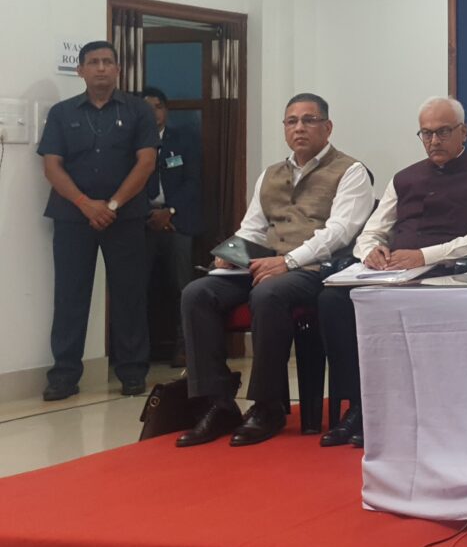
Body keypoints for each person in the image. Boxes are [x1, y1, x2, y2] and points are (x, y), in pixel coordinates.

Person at [175, 93, 373, 447]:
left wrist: (288, 261)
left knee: (268, 294)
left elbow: (340, 232)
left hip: (316, 269)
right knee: (197, 293)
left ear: (327, 127)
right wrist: (228, 254)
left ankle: (268, 406)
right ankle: (218, 403)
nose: (299, 128)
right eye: (292, 121)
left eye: (309, 120)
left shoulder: (351, 171)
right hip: (267, 262)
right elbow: (251, 229)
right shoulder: (271, 174)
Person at [317, 97, 467, 447]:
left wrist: (422, 256)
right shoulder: (404, 178)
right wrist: (370, 251)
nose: (434, 141)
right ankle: (358, 406)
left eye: (443, 132)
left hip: (443, 274)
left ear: (463, 132)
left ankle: (410, 410)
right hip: (389, 274)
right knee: (331, 302)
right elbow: (372, 231)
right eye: (426, 133)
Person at [36, 41, 159, 400]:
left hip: (126, 217)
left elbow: (146, 162)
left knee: (129, 295)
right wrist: (85, 204)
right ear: (80, 70)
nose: (101, 68)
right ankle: (64, 376)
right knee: (70, 296)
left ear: (118, 69)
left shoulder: (138, 111)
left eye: (107, 62)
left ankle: (132, 372)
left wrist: (113, 205)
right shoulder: (62, 113)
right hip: (72, 217)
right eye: (93, 62)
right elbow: (51, 166)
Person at [140, 86, 204, 367]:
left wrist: (169, 212)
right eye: (147, 107)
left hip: (178, 222)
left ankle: (184, 347)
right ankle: (138, 351)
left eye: (158, 106)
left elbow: (193, 181)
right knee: (138, 288)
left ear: (166, 111)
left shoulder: (183, 139)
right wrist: (150, 214)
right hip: (142, 223)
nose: (153, 112)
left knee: (182, 287)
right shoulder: (132, 142)